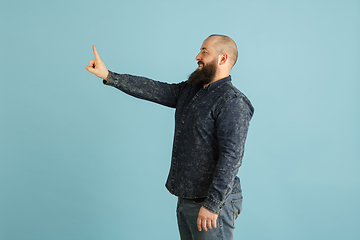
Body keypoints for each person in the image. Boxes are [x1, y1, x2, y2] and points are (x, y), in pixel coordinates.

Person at [86, 34, 254, 240]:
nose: (197, 57)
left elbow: (231, 158)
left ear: (222, 59)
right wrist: (109, 76)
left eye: (204, 52)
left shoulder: (232, 102)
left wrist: (212, 204)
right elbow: (155, 89)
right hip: (187, 199)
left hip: (212, 204)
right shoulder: (191, 90)